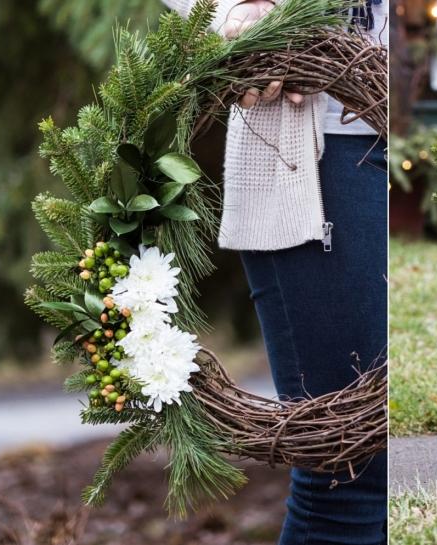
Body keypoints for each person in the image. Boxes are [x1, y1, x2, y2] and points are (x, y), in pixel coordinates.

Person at [163, 0, 388, 542]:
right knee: (346, 474)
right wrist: (237, 9)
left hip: (388, 121)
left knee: (381, 467)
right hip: (310, 152)